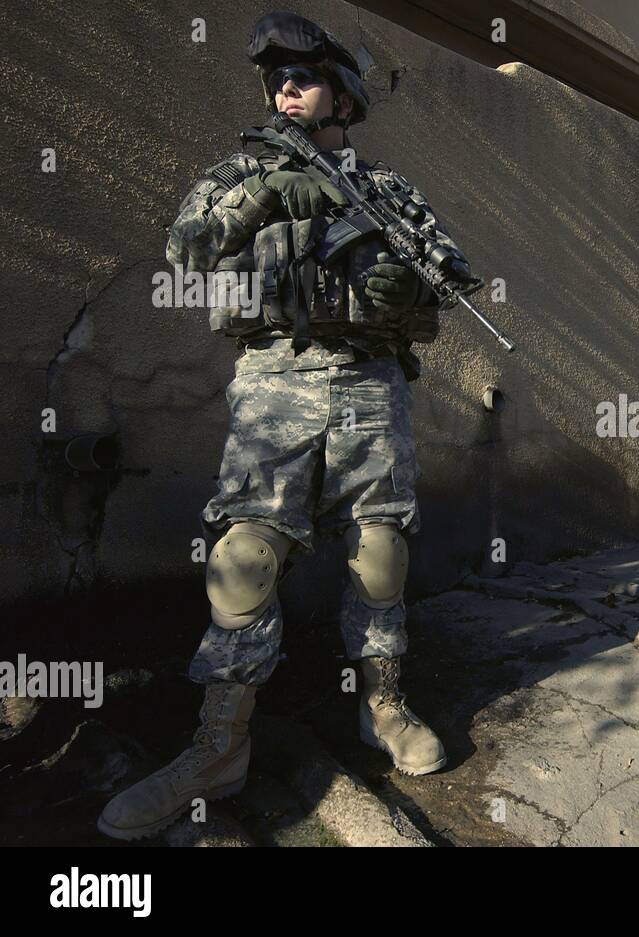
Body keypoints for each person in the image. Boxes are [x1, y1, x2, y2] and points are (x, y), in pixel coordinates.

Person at [98, 11, 474, 840]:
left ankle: (383, 704)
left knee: (379, 551)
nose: (284, 88)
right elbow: (187, 249)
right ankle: (217, 744)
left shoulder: (389, 189)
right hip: (276, 377)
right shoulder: (240, 172)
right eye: (276, 79)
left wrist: (398, 293)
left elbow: (438, 296)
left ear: (344, 92)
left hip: (370, 382)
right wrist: (269, 190)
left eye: (302, 76)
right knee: (243, 556)